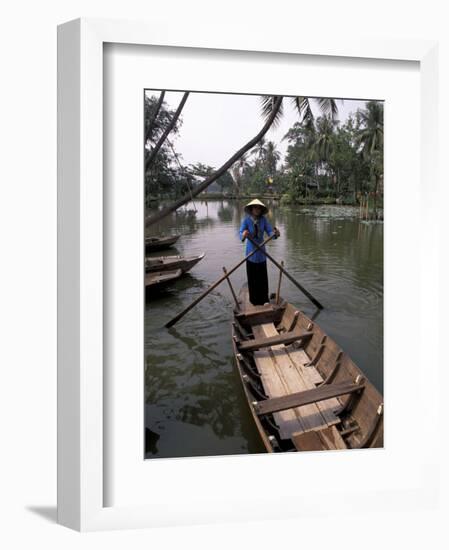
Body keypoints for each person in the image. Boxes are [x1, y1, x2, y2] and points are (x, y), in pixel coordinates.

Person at [239, 199, 280, 305]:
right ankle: (254, 300)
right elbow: (240, 233)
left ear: (261, 210)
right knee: (252, 278)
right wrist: (244, 234)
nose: (257, 209)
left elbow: (270, 231)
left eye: (259, 208)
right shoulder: (246, 221)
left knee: (262, 278)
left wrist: (275, 234)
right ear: (251, 209)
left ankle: (264, 300)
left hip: (261, 253)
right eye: (255, 207)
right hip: (251, 253)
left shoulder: (263, 220)